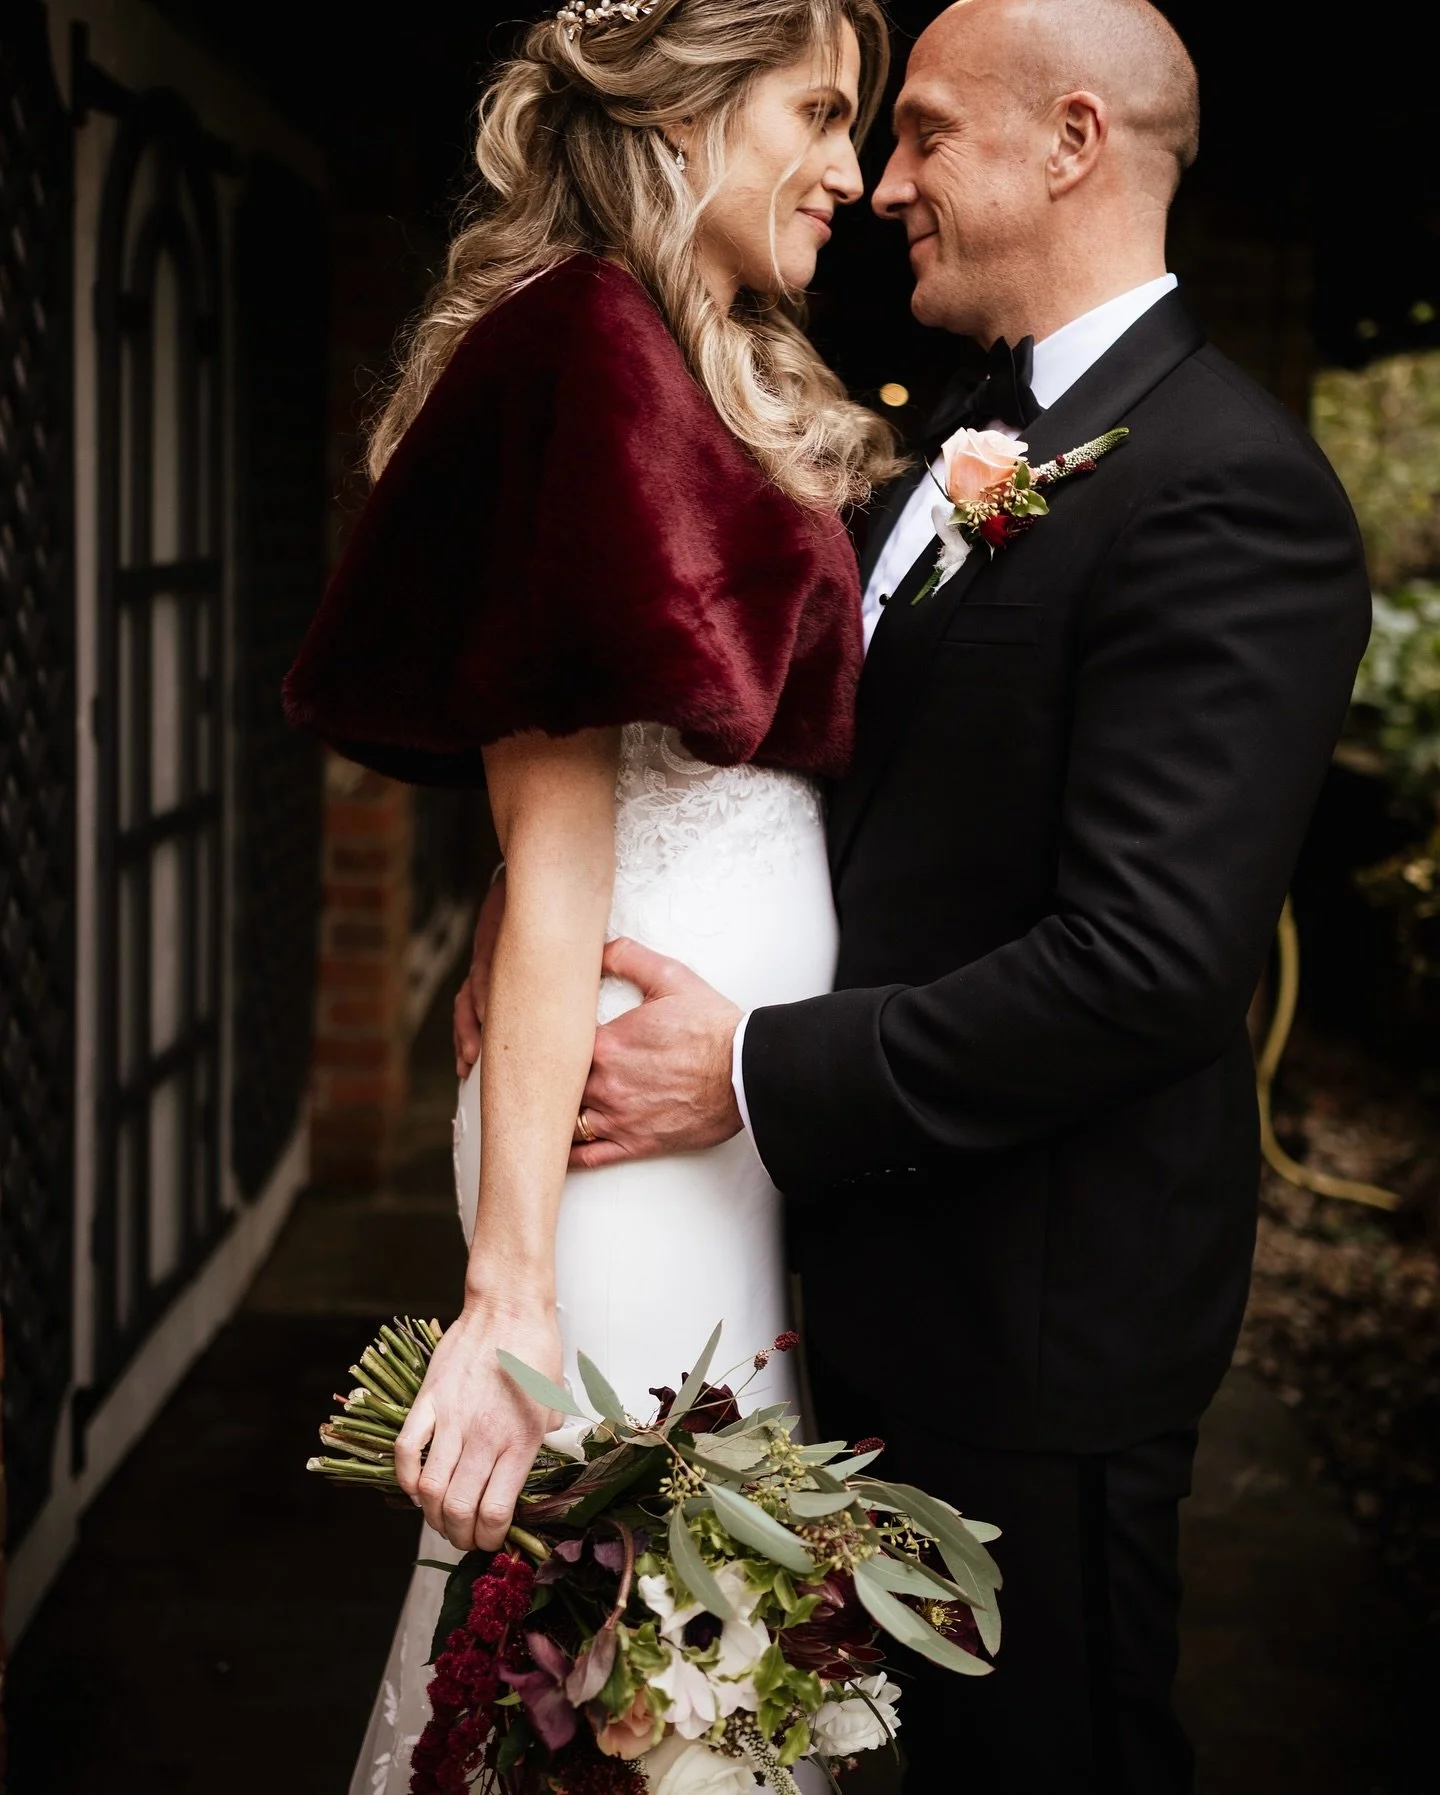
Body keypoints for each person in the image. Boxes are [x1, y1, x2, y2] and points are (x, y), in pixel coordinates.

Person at [454, 2, 1373, 1789]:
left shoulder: (1232, 490)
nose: (883, 185)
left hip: (1032, 1334)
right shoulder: (959, 431)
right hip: (835, 1279)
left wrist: (748, 1070)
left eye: (926, 133)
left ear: (1074, 142)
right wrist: (541, 899)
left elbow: (1147, 965)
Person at [284, 1, 900, 1788]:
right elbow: (556, 846)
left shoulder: (689, 352)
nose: (852, 171)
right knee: (609, 1661)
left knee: (684, 1647)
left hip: (714, 1135)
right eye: (819, 113)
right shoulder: (581, 347)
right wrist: (509, 1293)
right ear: (685, 114)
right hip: (616, 1146)